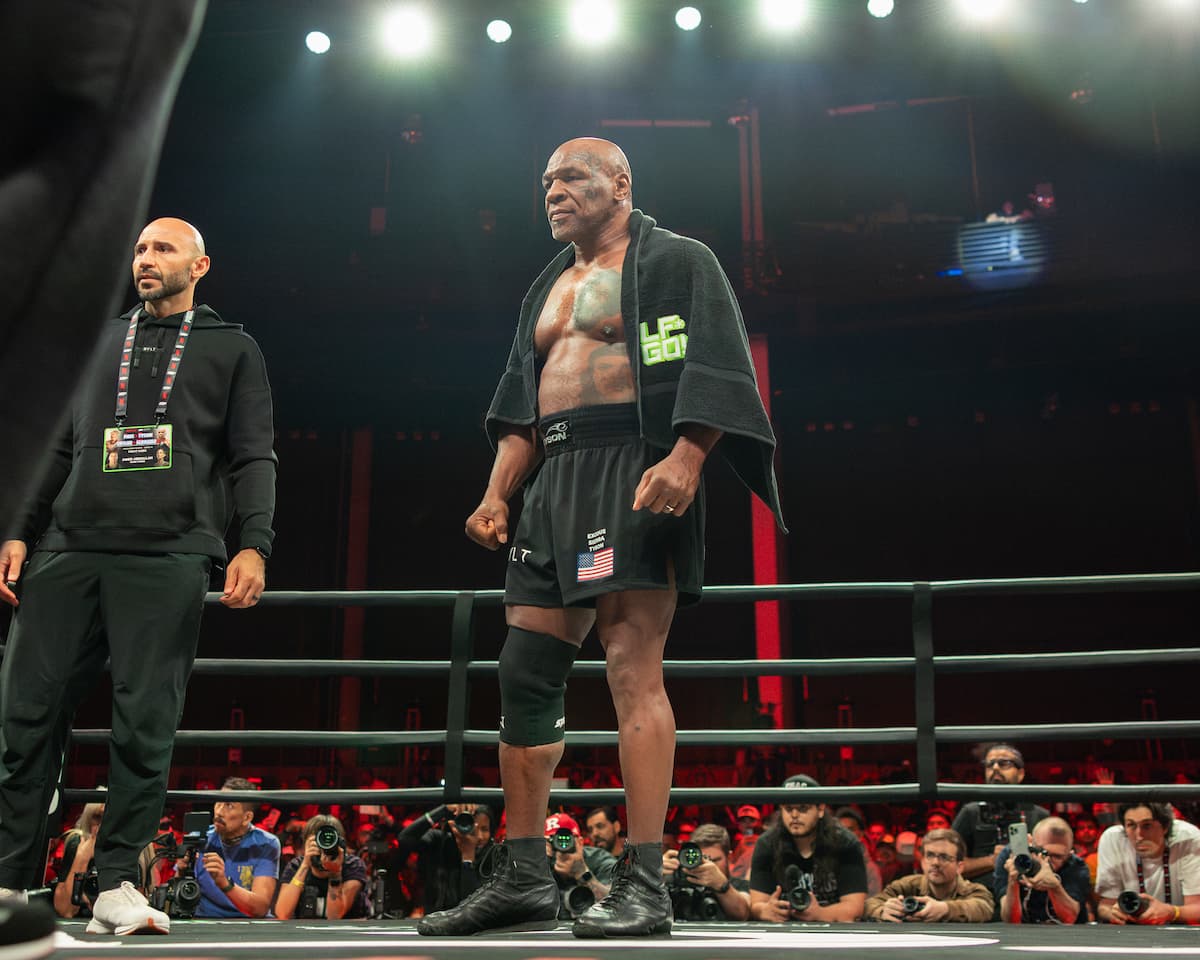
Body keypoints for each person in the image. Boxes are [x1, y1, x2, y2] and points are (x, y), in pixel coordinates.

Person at [417, 137, 784, 940]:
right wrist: (493, 494)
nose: (553, 191)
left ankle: (645, 883)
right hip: (554, 475)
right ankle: (522, 876)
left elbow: (717, 368)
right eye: (546, 180)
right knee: (524, 671)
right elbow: (524, 407)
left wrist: (687, 457)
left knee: (629, 666)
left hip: (633, 465)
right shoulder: (546, 287)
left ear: (621, 183)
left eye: (572, 177)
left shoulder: (678, 261)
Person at [0, 217, 277, 936]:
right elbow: (56, 446)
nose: (145, 260)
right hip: (67, 547)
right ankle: (9, 883)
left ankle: (116, 882)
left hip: (170, 551)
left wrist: (254, 544)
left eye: (163, 249)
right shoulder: (97, 342)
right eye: (141, 249)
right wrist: (19, 529)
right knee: (24, 718)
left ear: (200, 265)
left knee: (144, 723)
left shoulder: (231, 347)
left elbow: (254, 455)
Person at [748, 775, 868, 923]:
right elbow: (756, 905)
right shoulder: (767, 844)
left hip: (832, 933)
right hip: (783, 932)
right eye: (788, 808)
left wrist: (820, 915)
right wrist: (767, 911)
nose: (794, 815)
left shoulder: (845, 843)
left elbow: (854, 909)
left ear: (820, 809)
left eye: (803, 808)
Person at [951, 744, 1049, 883]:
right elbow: (948, 864)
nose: (995, 768)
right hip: (978, 896)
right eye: (990, 764)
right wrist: (992, 860)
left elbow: (1053, 863)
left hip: (1027, 891)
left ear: (1020, 774)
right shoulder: (971, 812)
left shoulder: (1037, 815)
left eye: (1004, 763)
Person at [1096, 802, 1200, 925]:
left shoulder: (1188, 838)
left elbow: (1196, 908)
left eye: (1147, 826)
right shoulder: (1112, 838)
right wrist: (1114, 913)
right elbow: (1105, 905)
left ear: (1165, 827)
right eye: (1131, 825)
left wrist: (1172, 912)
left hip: (1179, 930)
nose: (1139, 836)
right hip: (1132, 931)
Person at [865, 828, 993, 923]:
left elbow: (983, 907)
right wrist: (882, 911)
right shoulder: (906, 886)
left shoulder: (973, 890)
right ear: (922, 861)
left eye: (944, 857)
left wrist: (945, 909)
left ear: (959, 866)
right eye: (930, 855)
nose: (935, 863)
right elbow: (870, 904)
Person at [193, 778, 279, 919]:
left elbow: (260, 908)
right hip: (205, 921)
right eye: (218, 802)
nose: (219, 812)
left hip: (249, 924)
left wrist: (224, 883)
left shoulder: (266, 843)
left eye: (229, 805)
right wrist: (182, 869)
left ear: (247, 817)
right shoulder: (199, 839)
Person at [397, 803, 493, 916]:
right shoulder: (440, 840)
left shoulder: (493, 854)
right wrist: (443, 810)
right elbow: (404, 838)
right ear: (456, 825)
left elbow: (472, 908)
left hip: (470, 926)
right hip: (435, 921)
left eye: (484, 829)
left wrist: (468, 856)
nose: (479, 836)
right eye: (472, 828)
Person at [995, 816, 1089, 925]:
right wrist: (1013, 881)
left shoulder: (1076, 866)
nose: (1048, 861)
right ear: (1031, 844)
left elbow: (1069, 919)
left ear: (1070, 854)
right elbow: (1011, 920)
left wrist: (1055, 886)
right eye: (1044, 853)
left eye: (1057, 857)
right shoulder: (1012, 857)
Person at [275, 815, 370, 920]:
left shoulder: (352, 865)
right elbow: (283, 914)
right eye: (319, 840)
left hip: (343, 934)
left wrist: (335, 874)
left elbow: (334, 916)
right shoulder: (296, 865)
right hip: (305, 933)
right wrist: (305, 864)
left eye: (330, 840)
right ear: (306, 842)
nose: (324, 846)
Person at [662, 824, 750, 921]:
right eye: (702, 860)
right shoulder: (678, 882)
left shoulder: (740, 886)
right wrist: (654, 876)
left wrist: (721, 885)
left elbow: (743, 914)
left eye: (714, 860)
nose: (709, 866)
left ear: (729, 858)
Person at [545, 813, 614, 917]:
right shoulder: (540, 864)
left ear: (580, 842)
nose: (562, 846)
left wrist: (583, 872)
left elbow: (616, 903)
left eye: (568, 840)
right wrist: (541, 865)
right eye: (554, 841)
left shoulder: (599, 859)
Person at [53, 803, 106, 919]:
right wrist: (82, 858)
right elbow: (65, 910)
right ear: (88, 820)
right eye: (98, 817)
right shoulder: (77, 842)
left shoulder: (135, 847)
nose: (103, 825)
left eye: (108, 818)